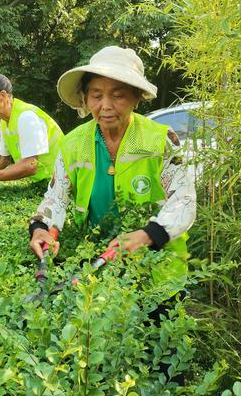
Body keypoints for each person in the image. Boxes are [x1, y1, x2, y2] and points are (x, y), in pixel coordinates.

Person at [28, 46, 196, 287]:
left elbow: (184, 200)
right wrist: (41, 228)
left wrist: (148, 235)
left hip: (159, 270)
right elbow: (56, 197)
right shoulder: (73, 143)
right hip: (97, 263)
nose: (105, 105)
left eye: (118, 95)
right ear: (85, 98)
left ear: (136, 97)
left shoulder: (160, 139)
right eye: (96, 95)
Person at [0, 73, 64, 187]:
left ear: (3, 96)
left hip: (61, 183)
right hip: (46, 184)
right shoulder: (4, 121)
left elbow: (30, 165)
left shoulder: (26, 117)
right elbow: (2, 160)